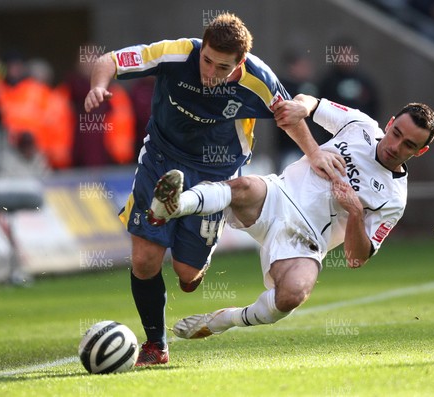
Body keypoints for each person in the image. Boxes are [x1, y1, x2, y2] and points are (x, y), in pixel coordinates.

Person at [84, 13, 340, 366]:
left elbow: (289, 116)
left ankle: (191, 243)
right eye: (206, 60)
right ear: (201, 48)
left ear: (240, 64)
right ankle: (156, 345)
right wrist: (99, 86)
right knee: (144, 260)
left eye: (222, 68)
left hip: (215, 175)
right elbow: (109, 60)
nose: (209, 72)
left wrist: (315, 155)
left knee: (187, 276)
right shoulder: (176, 53)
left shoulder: (258, 80)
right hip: (161, 158)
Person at [146, 94, 434, 339]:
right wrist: (303, 107)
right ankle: (172, 205)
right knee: (244, 186)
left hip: (306, 242)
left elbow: (355, 259)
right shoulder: (359, 124)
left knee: (293, 295)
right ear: (389, 124)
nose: (395, 146)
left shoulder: (394, 198)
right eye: (396, 133)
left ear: (422, 151)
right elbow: (308, 102)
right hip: (278, 196)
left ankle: (223, 321)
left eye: (408, 145)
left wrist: (355, 212)